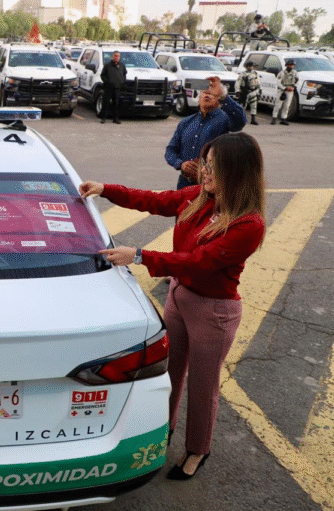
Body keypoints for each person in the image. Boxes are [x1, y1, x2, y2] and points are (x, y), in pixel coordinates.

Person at [79, 131, 266, 480]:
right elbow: (155, 200)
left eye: (213, 167)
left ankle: (197, 450)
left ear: (236, 172)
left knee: (202, 386)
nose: (203, 172)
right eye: (205, 164)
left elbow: (198, 261)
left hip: (214, 311)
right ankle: (159, 435)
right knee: (168, 376)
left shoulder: (248, 223)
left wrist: (137, 255)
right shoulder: (198, 196)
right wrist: (106, 189)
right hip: (179, 298)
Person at [165, 76, 246, 189]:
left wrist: (224, 95)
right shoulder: (186, 122)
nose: (207, 95)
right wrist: (180, 164)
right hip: (184, 184)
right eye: (204, 93)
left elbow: (240, 121)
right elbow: (171, 150)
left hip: (211, 185)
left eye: (212, 94)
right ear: (198, 98)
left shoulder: (225, 120)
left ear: (219, 100)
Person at [99, 50, 126, 124]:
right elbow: (102, 75)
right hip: (108, 88)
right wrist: (107, 82)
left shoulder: (122, 66)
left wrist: (122, 82)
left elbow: (124, 74)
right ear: (112, 56)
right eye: (115, 56)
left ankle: (115, 119)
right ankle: (103, 118)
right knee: (106, 103)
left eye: (118, 56)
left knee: (116, 103)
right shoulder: (107, 65)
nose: (116, 57)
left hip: (117, 88)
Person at [271, 59, 298, 126]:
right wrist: (285, 88)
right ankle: (274, 118)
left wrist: (293, 87)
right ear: (287, 65)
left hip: (290, 91)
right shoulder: (282, 73)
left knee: (287, 106)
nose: (291, 66)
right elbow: (278, 82)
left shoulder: (295, 73)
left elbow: (296, 81)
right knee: (278, 105)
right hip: (282, 91)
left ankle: (283, 119)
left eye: (292, 65)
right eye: (289, 65)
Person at [237, 61, 261, 125]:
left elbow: (258, 82)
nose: (250, 67)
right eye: (249, 66)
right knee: (244, 106)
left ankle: (253, 119)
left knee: (254, 106)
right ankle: (241, 119)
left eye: (251, 66)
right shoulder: (243, 74)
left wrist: (260, 90)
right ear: (247, 67)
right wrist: (237, 91)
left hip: (253, 91)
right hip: (245, 92)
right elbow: (238, 83)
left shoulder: (255, 73)